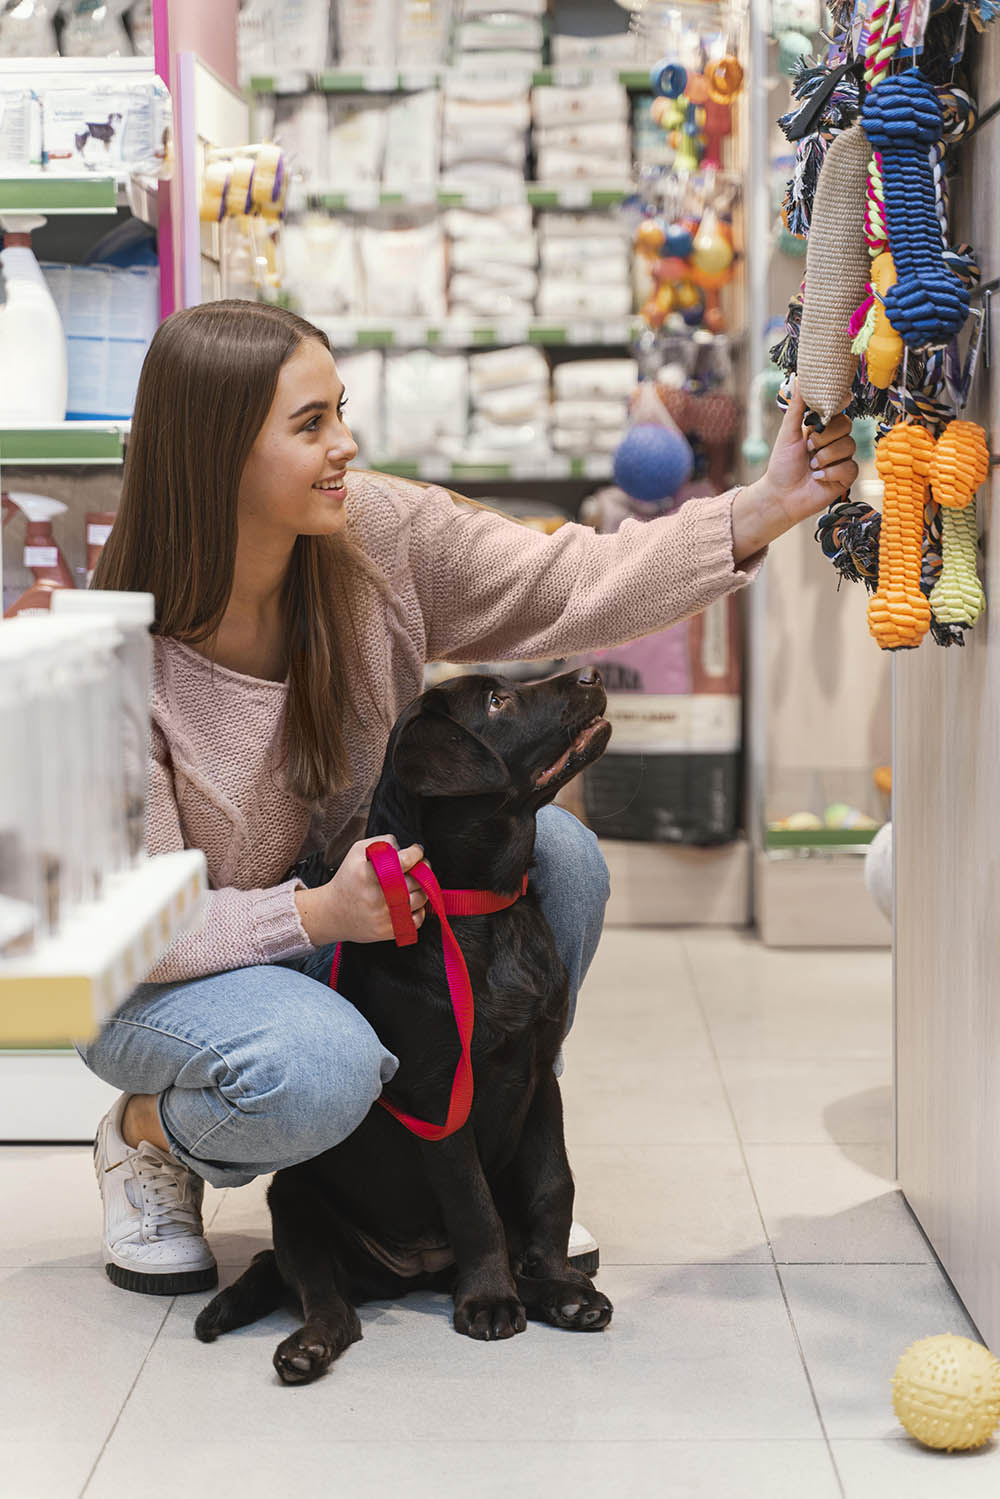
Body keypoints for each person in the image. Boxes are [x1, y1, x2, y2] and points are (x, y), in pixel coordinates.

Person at [79, 300, 857, 1296]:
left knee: (559, 861)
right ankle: (148, 1137)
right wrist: (316, 912)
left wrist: (759, 508)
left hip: (331, 912)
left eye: (340, 412)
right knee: (317, 1067)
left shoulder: (377, 536)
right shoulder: (121, 660)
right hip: (159, 977)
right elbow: (134, 925)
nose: (346, 444)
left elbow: (566, 581)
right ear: (216, 451)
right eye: (309, 423)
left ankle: (497, 1154)